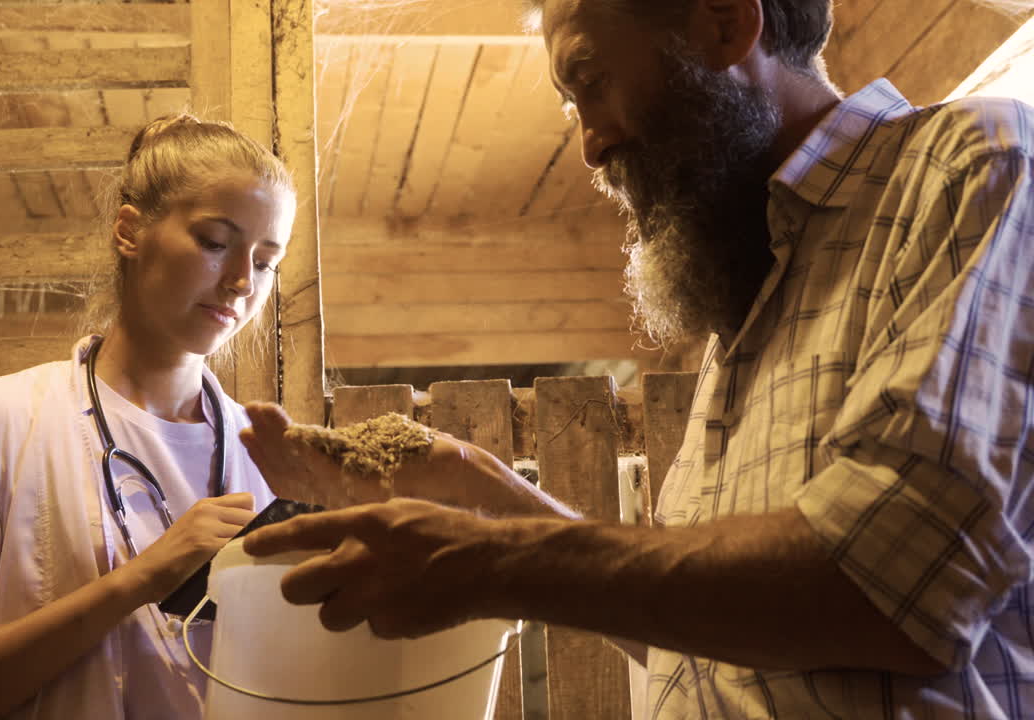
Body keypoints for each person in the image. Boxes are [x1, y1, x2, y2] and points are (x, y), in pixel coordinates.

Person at [238, 0, 1034, 717]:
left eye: (591, 79)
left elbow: (893, 588)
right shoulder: (752, 302)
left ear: (725, 23)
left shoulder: (974, 166)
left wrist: (477, 560)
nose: (587, 145)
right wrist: (479, 489)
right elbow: (709, 642)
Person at [0, 115, 296, 720]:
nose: (242, 282)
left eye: (268, 260)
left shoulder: (271, 460)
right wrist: (140, 579)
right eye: (215, 242)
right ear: (130, 231)